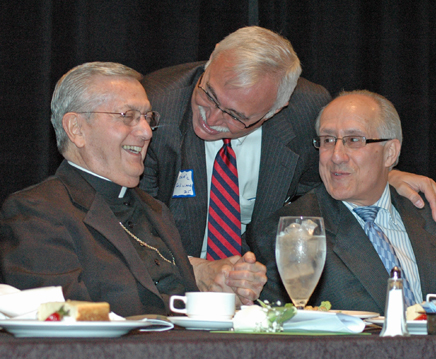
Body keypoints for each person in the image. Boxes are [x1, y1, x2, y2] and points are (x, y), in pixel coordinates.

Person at [141, 26, 436, 285]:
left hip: (264, 285)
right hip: (173, 282)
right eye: (208, 95)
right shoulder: (154, 108)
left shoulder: (305, 110)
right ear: (210, 62)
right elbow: (134, 225)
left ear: (275, 110)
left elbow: (323, 181)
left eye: (235, 116)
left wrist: (386, 175)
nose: (211, 117)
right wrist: (199, 271)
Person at [0, 62, 266, 317]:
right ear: (76, 128)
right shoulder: (37, 211)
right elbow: (57, 315)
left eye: (147, 117)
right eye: (127, 116)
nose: (146, 132)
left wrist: (223, 295)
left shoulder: (155, 209)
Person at [246, 90, 436, 315]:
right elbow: (279, 328)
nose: (336, 156)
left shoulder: (434, 221)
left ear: (390, 153)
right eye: (327, 140)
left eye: (353, 140)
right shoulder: (289, 231)